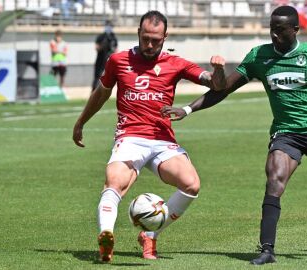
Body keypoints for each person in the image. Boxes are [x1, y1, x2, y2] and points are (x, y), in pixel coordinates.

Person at [161, 5, 307, 265]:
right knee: (274, 179)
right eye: (271, 30)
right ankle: (267, 249)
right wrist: (188, 108)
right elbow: (223, 89)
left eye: (280, 30)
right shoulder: (259, 56)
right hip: (286, 134)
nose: (274, 35)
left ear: (295, 30)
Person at [72, 10, 226, 263]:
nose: (150, 44)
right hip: (130, 137)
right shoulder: (118, 61)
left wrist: (219, 69)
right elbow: (101, 93)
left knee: (191, 184)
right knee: (115, 182)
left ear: (165, 37)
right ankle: (106, 235)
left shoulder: (176, 64)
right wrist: (81, 122)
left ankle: (150, 234)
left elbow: (216, 85)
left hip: (163, 141)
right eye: (146, 39)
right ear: (138, 34)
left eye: (156, 39)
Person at [92, 20, 118, 92]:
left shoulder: (113, 37)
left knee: (108, 78)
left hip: (109, 60)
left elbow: (116, 49)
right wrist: (102, 46)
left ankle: (104, 93)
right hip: (100, 60)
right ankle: (93, 92)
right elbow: (96, 48)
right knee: (97, 77)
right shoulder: (101, 36)